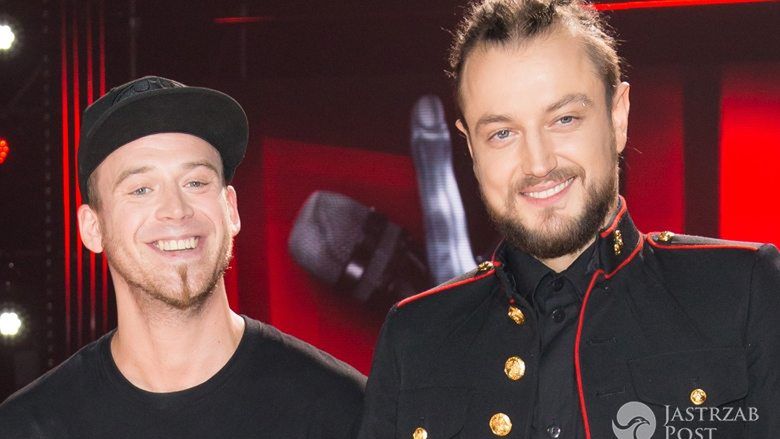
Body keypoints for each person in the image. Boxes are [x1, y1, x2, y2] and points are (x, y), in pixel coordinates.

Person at [358, 1, 780, 438]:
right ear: (470, 148)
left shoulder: (744, 291)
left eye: (564, 119)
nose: (538, 163)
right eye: (502, 133)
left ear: (618, 116)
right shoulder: (415, 336)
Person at [0, 76, 365, 438]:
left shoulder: (344, 410)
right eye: (141, 189)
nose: (176, 210)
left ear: (231, 209)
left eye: (196, 183)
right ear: (92, 228)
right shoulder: (28, 428)